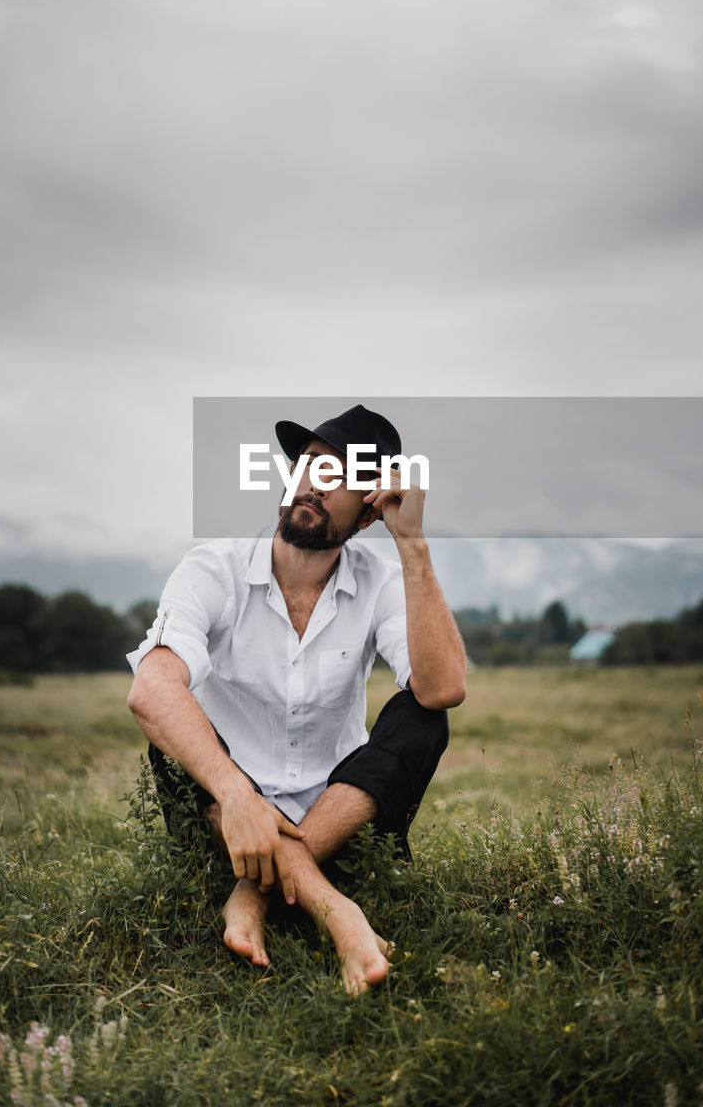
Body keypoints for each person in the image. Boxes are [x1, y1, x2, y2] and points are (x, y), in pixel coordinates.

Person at [127, 404, 467, 994]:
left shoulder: (383, 580)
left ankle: (255, 891)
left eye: (341, 477)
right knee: (172, 734)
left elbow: (443, 688)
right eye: (309, 465)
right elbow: (150, 688)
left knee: (424, 718)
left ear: (369, 512)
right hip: (225, 815)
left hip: (343, 807)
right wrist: (238, 796)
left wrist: (411, 544)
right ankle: (339, 913)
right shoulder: (213, 568)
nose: (314, 484)